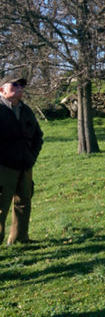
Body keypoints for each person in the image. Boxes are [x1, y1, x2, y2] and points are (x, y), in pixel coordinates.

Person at [0, 76, 43, 245]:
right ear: (2, 90)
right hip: (3, 166)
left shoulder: (26, 110)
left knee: (24, 201)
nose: (19, 88)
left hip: (25, 165)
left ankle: (19, 239)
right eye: (15, 85)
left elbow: (38, 136)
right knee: (1, 206)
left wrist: (32, 156)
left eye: (21, 86)